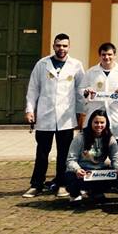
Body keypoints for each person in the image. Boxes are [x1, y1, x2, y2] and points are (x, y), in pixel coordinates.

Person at [23, 33, 84, 199]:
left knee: (64, 153)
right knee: (42, 152)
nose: (61, 48)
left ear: (69, 47)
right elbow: (33, 89)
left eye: (64, 46)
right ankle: (36, 185)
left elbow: (80, 91)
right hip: (45, 116)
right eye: (58, 45)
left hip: (66, 117)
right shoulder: (42, 64)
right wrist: (30, 110)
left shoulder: (76, 65)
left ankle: (62, 184)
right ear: (53, 46)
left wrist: (81, 115)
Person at [79, 42, 118, 148]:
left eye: (109, 54)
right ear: (99, 56)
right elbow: (81, 90)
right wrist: (86, 91)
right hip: (96, 117)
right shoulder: (91, 72)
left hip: (117, 116)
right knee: (95, 149)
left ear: (115, 55)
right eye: (103, 54)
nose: (106, 57)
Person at [64, 111, 118, 204]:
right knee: (71, 176)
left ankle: (96, 192)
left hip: (99, 171)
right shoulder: (80, 137)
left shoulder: (110, 138)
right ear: (90, 122)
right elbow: (71, 159)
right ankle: (75, 194)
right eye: (96, 122)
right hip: (83, 171)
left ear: (106, 123)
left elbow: (115, 158)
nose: (99, 125)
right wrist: (77, 169)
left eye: (102, 122)